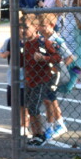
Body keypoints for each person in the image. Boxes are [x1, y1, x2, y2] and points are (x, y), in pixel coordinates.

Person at [21, 15, 61, 145]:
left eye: (26, 27)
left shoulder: (42, 42)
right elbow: (23, 62)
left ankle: (41, 134)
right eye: (21, 28)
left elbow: (57, 57)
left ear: (36, 27)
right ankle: (35, 134)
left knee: (33, 107)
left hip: (42, 80)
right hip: (29, 80)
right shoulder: (24, 44)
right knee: (29, 106)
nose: (23, 30)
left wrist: (44, 58)